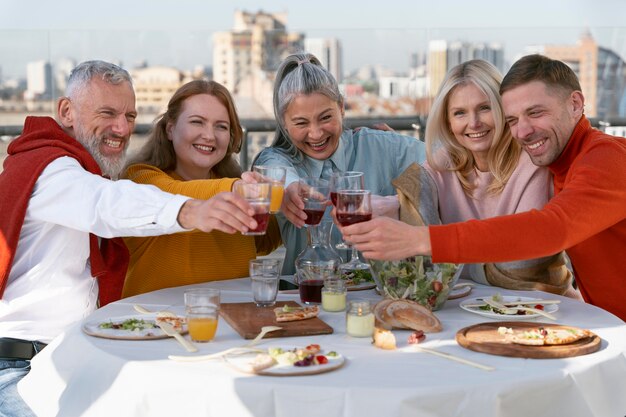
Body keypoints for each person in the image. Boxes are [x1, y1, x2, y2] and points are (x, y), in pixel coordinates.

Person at [0, 61, 260, 415]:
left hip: (74, 355)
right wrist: (192, 211)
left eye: (130, 116)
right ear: (66, 111)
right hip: (21, 368)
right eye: (107, 113)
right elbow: (105, 204)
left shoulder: (78, 168)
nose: (121, 128)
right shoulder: (51, 168)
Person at [339, 54, 626, 321]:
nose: (523, 132)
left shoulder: (606, 158)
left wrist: (423, 239)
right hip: (606, 321)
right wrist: (390, 205)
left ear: (576, 103)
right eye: (513, 120)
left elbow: (553, 229)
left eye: (536, 112)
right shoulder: (560, 162)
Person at [392, 59, 575, 296]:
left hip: (543, 305)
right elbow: (422, 266)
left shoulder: (533, 162)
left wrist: (452, 260)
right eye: (460, 113)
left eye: (484, 108)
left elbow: (522, 266)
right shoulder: (439, 166)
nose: (474, 123)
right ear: (448, 122)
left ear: (503, 109)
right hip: (464, 308)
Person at [254, 52, 427, 274]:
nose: (316, 134)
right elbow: (273, 170)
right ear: (284, 123)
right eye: (301, 123)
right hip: (303, 300)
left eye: (326, 117)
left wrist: (398, 202)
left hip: (377, 295)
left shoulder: (379, 146)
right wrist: (288, 188)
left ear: (342, 108)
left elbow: (448, 164)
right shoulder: (277, 159)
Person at [121, 80, 281, 296]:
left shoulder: (235, 187)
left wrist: (287, 206)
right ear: (170, 128)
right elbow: (174, 194)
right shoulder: (140, 179)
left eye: (221, 126)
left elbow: (266, 240)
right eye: (197, 122)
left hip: (234, 321)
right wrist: (237, 189)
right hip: (156, 324)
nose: (210, 135)